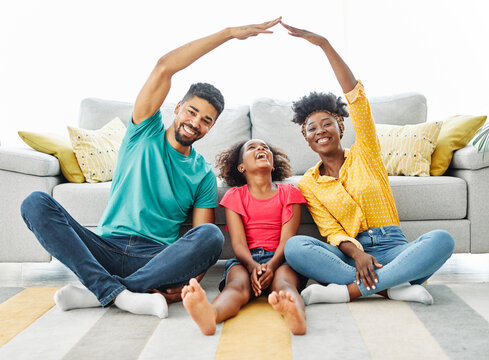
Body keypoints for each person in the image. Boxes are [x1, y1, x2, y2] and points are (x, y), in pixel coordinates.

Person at [20, 18, 281, 318]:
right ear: (179, 106)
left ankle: (106, 290)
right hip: (104, 246)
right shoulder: (144, 130)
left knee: (211, 235)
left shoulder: (203, 173)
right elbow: (164, 66)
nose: (195, 123)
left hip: (155, 258)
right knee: (35, 203)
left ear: (212, 127)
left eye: (206, 120)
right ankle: (120, 291)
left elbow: (199, 239)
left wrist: (187, 282)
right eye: (193, 112)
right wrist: (228, 34)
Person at [280, 21, 455, 305]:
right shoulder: (309, 183)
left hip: (393, 247)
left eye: (328, 123)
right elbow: (332, 231)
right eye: (312, 128)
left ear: (340, 128)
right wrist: (359, 254)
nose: (320, 130)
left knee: (442, 240)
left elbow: (357, 100)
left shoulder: (366, 153)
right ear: (307, 138)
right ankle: (393, 286)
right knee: (295, 247)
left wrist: (325, 45)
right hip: (349, 255)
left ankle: (347, 292)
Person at [181, 139, 308, 335]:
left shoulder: (289, 192)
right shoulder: (234, 196)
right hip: (245, 260)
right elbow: (238, 243)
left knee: (284, 285)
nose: (261, 149)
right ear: (241, 167)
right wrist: (252, 266)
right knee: (236, 286)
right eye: (252, 148)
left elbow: (288, 239)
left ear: (273, 165)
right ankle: (211, 314)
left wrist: (272, 266)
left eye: (265, 147)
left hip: (280, 259)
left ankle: (295, 314)